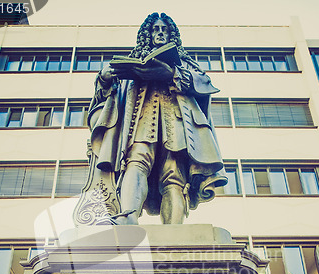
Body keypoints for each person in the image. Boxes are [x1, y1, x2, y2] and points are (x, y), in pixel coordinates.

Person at [87, 12, 227, 225]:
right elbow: (108, 92)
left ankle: (174, 231)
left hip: (177, 123)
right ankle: (129, 218)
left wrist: (171, 73)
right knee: (135, 163)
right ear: (147, 34)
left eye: (165, 30)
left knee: (174, 176)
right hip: (140, 121)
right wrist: (105, 78)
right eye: (155, 29)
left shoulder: (184, 62)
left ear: (172, 35)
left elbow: (204, 83)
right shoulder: (133, 60)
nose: (160, 33)